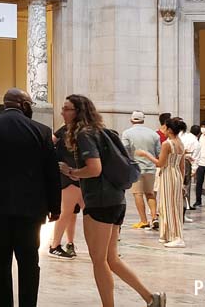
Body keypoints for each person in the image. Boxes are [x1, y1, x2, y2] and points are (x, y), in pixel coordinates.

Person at [57, 95, 165, 307]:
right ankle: (151, 298)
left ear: (78, 112)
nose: (63, 112)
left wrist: (71, 171)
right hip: (116, 200)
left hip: (100, 201)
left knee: (99, 261)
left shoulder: (84, 134)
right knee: (111, 259)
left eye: (67, 108)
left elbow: (94, 169)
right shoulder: (102, 131)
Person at [0, 88, 60, 307]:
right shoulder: (42, 131)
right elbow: (51, 173)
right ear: (24, 105)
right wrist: (55, 207)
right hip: (30, 211)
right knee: (29, 263)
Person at [136, 118, 186, 248]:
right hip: (176, 175)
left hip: (168, 174)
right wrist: (182, 182)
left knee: (169, 206)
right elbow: (182, 166)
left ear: (169, 129)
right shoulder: (180, 143)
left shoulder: (167, 144)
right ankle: (168, 234)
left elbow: (160, 163)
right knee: (171, 205)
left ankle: (177, 236)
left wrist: (146, 154)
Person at [48, 102, 86, 259]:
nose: (62, 113)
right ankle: (55, 245)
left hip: (77, 175)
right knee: (68, 212)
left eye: (66, 110)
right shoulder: (68, 130)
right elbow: (50, 141)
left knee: (72, 212)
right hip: (70, 176)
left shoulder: (75, 130)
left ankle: (69, 243)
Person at [121, 111, 160, 230]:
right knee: (150, 193)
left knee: (138, 194)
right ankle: (154, 217)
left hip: (135, 168)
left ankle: (143, 221)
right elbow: (158, 152)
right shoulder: (154, 134)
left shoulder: (127, 133)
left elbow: (124, 149)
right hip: (151, 168)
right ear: (143, 120)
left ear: (131, 120)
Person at [178, 122, 199, 212]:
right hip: (187, 161)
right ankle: (186, 204)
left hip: (178, 159)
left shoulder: (183, 136)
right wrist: (194, 170)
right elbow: (196, 157)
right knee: (187, 184)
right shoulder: (196, 142)